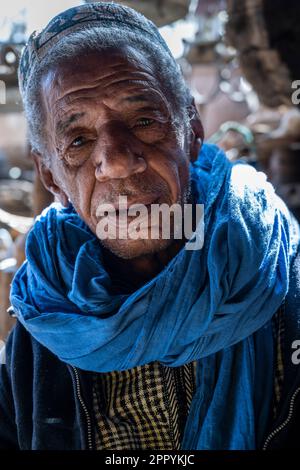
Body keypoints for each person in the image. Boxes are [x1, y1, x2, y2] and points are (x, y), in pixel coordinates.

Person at [0, 2, 300, 450]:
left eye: (143, 121)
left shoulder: (281, 274)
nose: (118, 162)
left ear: (192, 130)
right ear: (50, 177)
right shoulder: (41, 328)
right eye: (78, 140)